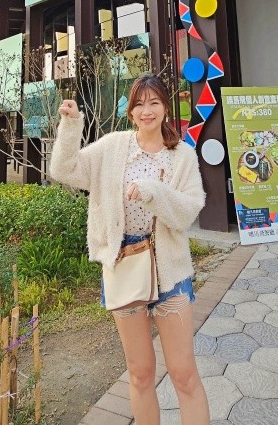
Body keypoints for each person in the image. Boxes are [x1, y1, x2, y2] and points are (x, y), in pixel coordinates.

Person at [49, 74, 210, 425]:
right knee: (139, 374)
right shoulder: (112, 146)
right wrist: (71, 124)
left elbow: (188, 211)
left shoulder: (181, 155)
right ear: (130, 111)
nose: (146, 110)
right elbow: (64, 169)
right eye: (139, 103)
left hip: (170, 273)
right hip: (123, 266)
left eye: (154, 102)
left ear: (166, 107)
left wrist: (154, 190)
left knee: (183, 374)